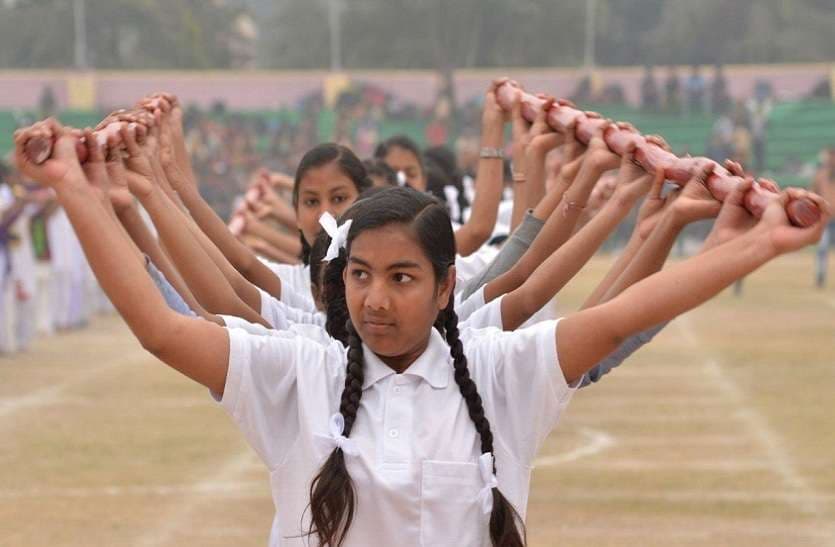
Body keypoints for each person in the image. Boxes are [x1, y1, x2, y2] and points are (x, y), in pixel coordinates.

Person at [14, 118, 829, 547]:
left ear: (445, 288)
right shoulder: (298, 371)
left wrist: (755, 242)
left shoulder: (501, 373)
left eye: (402, 278)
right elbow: (160, 326)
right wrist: (74, 187)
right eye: (360, 275)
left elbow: (620, 313)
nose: (375, 299)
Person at [812, 146, 835, 288]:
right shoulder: (820, 175)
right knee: (822, 248)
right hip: (825, 219)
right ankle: (820, 275)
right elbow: (813, 193)